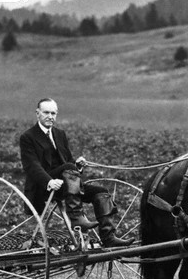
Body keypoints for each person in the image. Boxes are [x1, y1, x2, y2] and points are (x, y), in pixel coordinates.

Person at [19, 98, 134, 247]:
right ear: (37, 113)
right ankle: (77, 219)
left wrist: (77, 166)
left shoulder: (60, 134)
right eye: (46, 112)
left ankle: (108, 237)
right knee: (68, 167)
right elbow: (32, 166)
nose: (50, 116)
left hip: (67, 184)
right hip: (44, 186)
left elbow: (67, 161)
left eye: (53, 113)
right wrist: (49, 181)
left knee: (101, 192)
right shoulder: (28, 137)